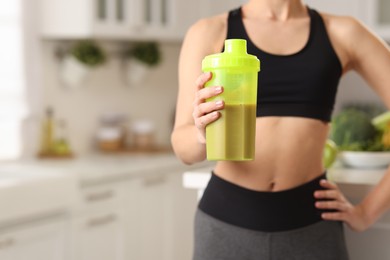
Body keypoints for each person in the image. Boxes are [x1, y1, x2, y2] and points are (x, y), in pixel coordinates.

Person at [171, 0, 390, 259]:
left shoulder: (343, 32)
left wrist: (367, 213)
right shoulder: (209, 31)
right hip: (226, 226)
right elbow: (183, 149)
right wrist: (200, 134)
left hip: (313, 226)